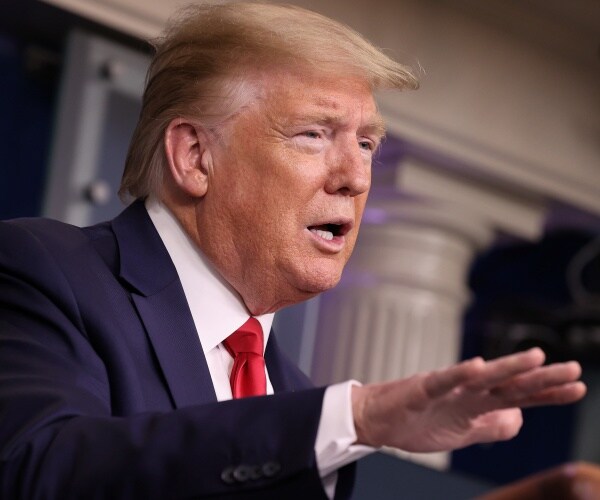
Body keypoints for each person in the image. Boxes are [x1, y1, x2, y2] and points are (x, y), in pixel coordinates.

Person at [0, 3, 586, 499]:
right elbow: (37, 469)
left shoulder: (295, 395)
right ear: (195, 156)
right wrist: (358, 418)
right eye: (313, 134)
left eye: (366, 143)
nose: (356, 177)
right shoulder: (44, 269)